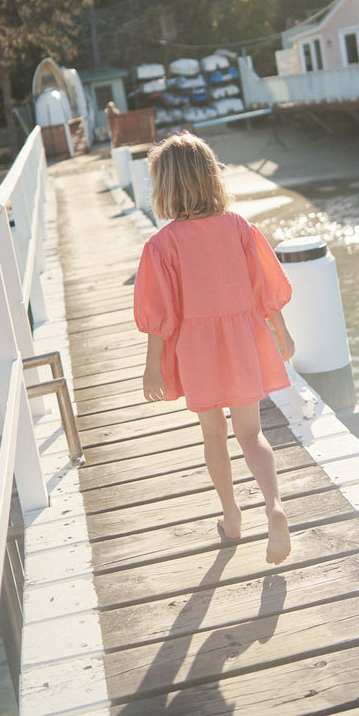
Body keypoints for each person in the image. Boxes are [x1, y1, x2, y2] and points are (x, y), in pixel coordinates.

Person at [133, 131, 295, 565]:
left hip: (197, 350)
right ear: (211, 177)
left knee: (213, 434)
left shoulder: (162, 246)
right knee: (252, 434)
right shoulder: (240, 228)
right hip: (243, 341)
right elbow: (266, 287)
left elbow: (159, 315)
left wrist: (153, 368)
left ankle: (232, 516)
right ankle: (274, 506)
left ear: (164, 187)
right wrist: (283, 332)